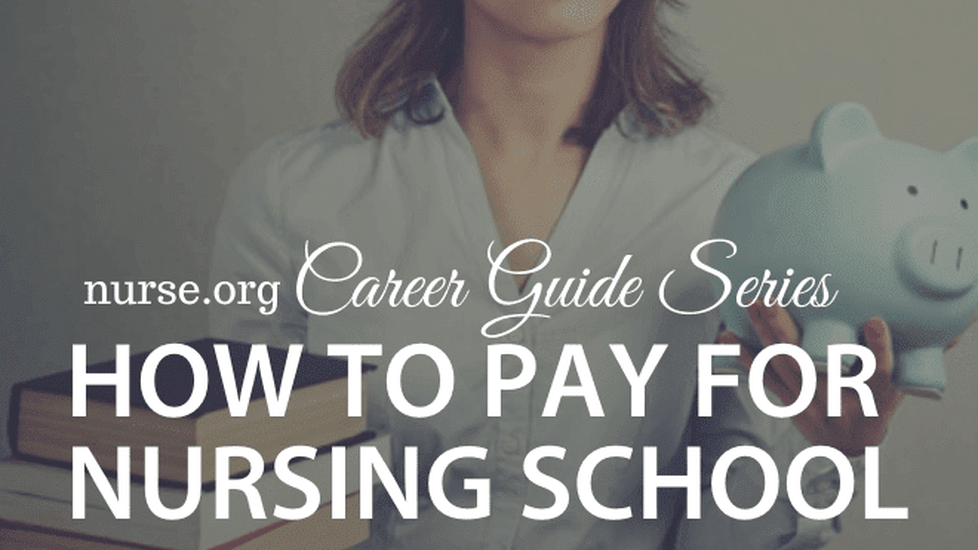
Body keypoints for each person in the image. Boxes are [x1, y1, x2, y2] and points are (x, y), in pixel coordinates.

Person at [209, 1, 907, 547]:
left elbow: (726, 524)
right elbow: (253, 513)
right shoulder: (293, 193)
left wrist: (826, 456)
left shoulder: (730, 205)